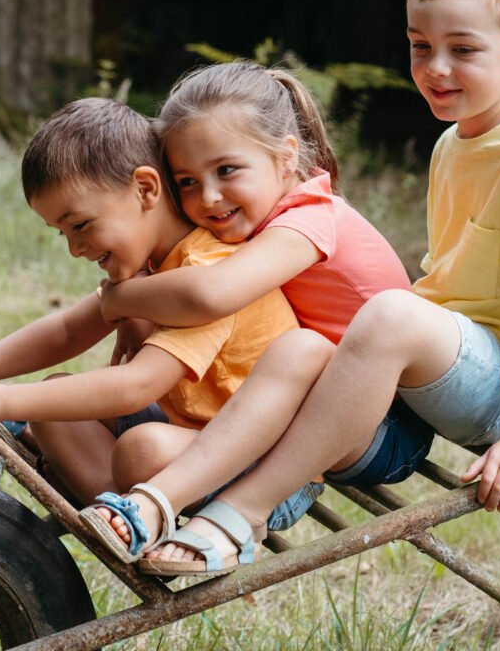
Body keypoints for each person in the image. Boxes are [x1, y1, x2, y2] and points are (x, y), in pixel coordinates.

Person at [116, 0, 500, 577]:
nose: (436, 68)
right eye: (420, 45)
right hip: (439, 366)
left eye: (463, 49)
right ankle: (211, 475)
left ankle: (242, 511)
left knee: (390, 313)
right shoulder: (456, 141)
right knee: (305, 346)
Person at [0, 97, 313, 560]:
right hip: (189, 430)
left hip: (262, 464)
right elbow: (68, 331)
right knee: (52, 404)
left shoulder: (206, 272)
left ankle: (134, 517)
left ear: (145, 189)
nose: (74, 248)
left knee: (140, 449)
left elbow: (137, 385)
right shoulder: (152, 264)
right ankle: (115, 512)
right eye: (62, 233)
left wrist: (1, 399)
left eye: (81, 225)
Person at [83, 61, 435, 572]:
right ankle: (119, 515)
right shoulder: (249, 219)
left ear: (286, 157)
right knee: (89, 418)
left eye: (226, 171)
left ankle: (209, 508)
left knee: (149, 444)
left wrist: (120, 299)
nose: (208, 197)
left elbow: (212, 293)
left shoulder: (309, 219)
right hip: (295, 402)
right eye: (187, 181)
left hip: (376, 426)